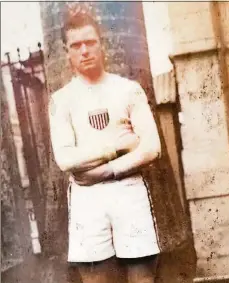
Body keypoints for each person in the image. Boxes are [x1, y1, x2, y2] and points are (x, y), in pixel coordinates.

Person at [49, 10, 162, 283]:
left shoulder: (127, 89)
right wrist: (116, 148)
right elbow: (65, 160)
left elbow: (150, 147)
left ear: (102, 44)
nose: (84, 50)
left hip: (128, 189)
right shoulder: (61, 99)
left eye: (90, 42)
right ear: (67, 52)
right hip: (87, 198)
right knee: (95, 278)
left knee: (142, 277)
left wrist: (103, 171)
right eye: (76, 45)